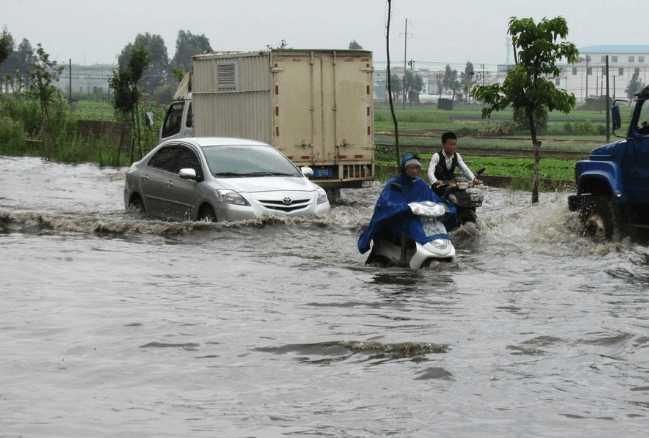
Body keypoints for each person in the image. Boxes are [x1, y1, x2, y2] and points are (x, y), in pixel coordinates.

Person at [357, 152, 456, 254]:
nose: (414, 170)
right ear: (405, 169)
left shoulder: (421, 184)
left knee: (434, 224)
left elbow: (433, 199)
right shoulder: (394, 184)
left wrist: (444, 207)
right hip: (399, 220)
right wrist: (404, 208)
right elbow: (386, 204)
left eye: (416, 168)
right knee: (411, 224)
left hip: (419, 218)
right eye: (411, 168)